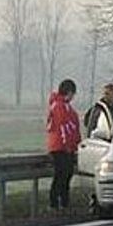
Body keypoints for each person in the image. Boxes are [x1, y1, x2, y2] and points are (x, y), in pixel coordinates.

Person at [46, 78, 81, 212]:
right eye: (73, 93)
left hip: (66, 147)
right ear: (69, 92)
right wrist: (67, 144)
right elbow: (62, 127)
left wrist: (75, 143)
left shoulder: (64, 106)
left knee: (66, 174)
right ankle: (55, 203)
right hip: (60, 147)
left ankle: (63, 202)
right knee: (61, 174)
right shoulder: (59, 106)